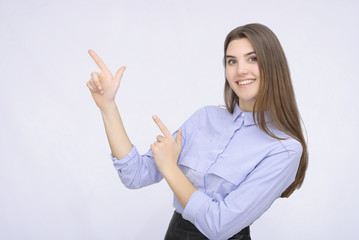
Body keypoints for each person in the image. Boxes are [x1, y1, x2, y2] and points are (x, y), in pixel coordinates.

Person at [86, 23, 308, 240]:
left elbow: (219, 227)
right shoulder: (205, 118)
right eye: (232, 61)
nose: (240, 70)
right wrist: (108, 106)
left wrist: (170, 168)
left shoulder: (285, 148)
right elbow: (135, 175)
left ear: (272, 65)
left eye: (253, 58)